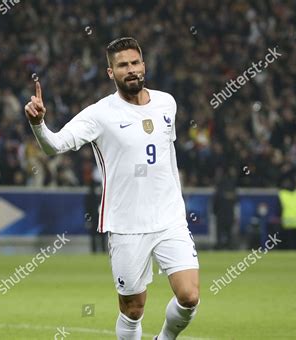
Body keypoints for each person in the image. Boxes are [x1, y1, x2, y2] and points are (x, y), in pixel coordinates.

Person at [25, 37, 200, 340]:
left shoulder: (166, 103)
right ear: (111, 73)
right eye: (122, 66)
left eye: (135, 63)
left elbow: (166, 157)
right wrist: (39, 124)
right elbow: (55, 146)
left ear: (144, 65)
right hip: (126, 224)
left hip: (170, 218)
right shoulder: (99, 114)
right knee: (133, 309)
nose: (131, 70)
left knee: (189, 297)